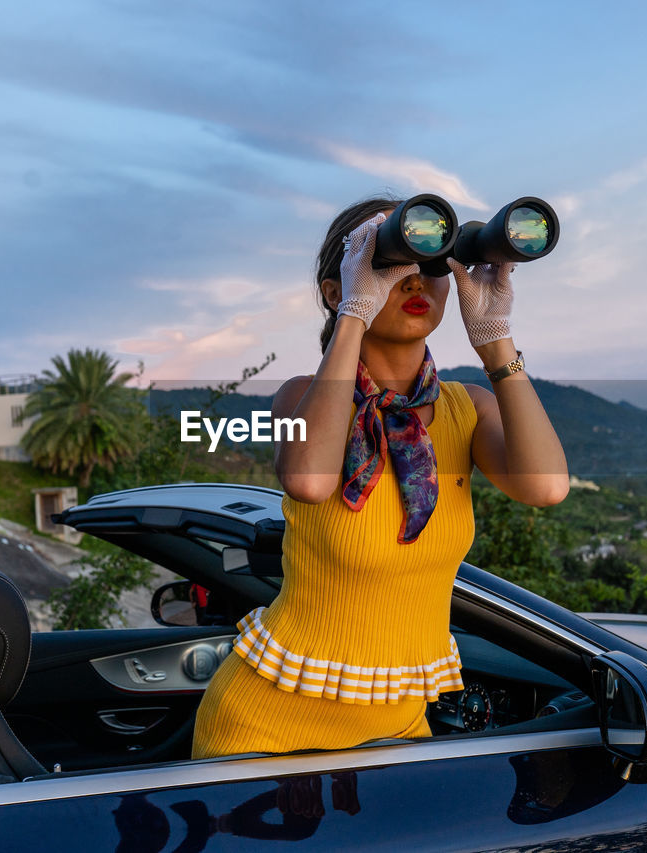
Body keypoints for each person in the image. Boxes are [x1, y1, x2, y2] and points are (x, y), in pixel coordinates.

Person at [191, 196, 569, 759]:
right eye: (390, 267)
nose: (416, 283)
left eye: (434, 266)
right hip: (266, 724)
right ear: (337, 288)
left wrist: (495, 336)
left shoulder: (469, 410)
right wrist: (353, 314)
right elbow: (311, 481)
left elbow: (546, 487)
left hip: (398, 729)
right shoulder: (300, 400)